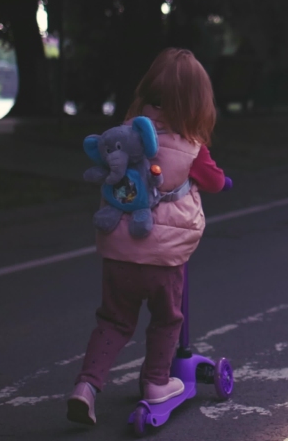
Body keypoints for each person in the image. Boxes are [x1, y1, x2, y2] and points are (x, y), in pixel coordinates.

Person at [67, 48, 228, 426]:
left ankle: (86, 387)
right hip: (162, 257)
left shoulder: (124, 136)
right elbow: (215, 182)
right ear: (196, 104)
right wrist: (221, 180)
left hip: (118, 250)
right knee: (167, 319)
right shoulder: (192, 149)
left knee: (114, 320)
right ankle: (157, 382)